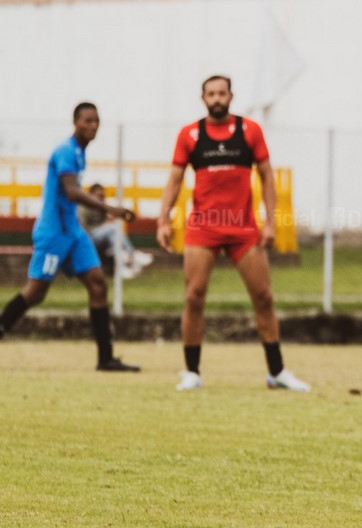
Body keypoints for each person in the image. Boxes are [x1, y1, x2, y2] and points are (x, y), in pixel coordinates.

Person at [156, 75, 310, 392]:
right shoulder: (189, 135)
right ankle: (191, 372)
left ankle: (277, 372)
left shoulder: (250, 131)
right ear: (203, 98)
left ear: (231, 96)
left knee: (264, 297)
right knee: (193, 297)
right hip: (203, 227)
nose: (217, 99)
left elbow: (267, 177)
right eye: (211, 94)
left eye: (222, 93)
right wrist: (163, 220)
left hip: (242, 228)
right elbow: (174, 180)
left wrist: (270, 222)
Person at [0, 103, 141, 372]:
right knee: (35, 292)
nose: (93, 126)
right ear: (75, 122)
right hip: (53, 233)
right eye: (87, 120)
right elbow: (72, 192)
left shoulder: (79, 152)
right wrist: (111, 209)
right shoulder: (65, 150)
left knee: (98, 284)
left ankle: (106, 359)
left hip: (73, 232)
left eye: (96, 121)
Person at [79, 183, 154, 279]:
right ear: (91, 195)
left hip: (102, 237)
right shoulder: (84, 207)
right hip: (88, 238)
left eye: (102, 196)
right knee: (113, 228)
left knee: (115, 239)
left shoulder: (101, 207)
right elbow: (82, 226)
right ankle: (132, 254)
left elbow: (105, 222)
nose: (100, 198)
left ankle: (122, 268)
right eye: (98, 196)